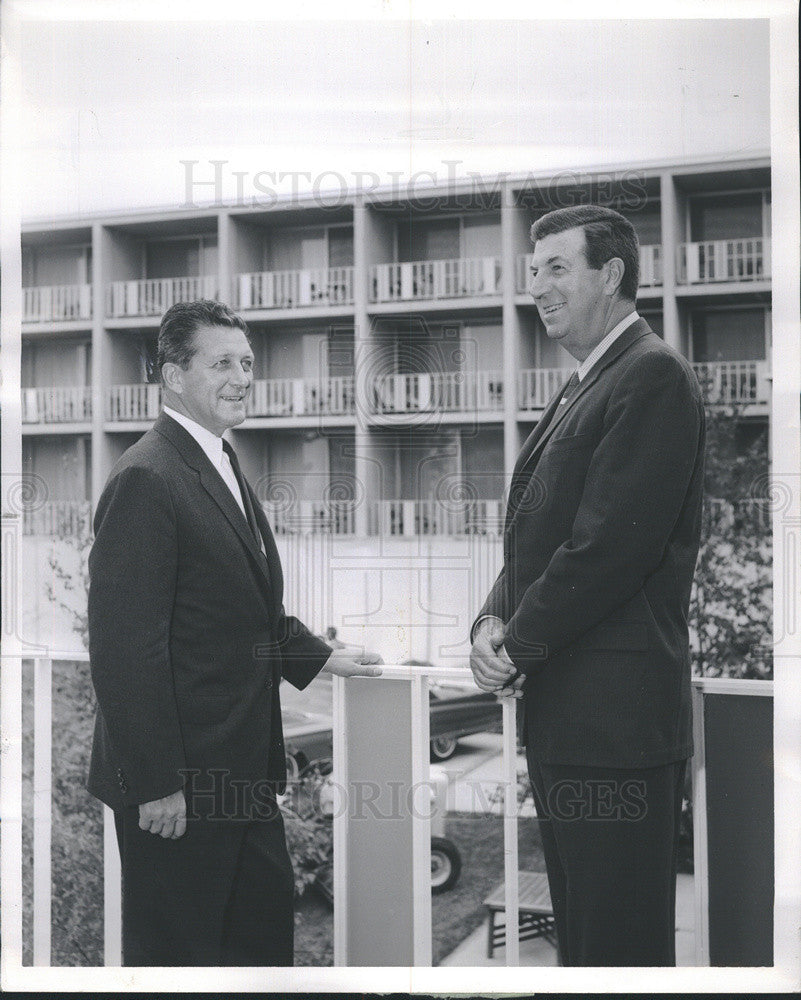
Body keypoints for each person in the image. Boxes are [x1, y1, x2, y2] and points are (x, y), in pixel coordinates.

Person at [87, 299, 381, 967]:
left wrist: (323, 657)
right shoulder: (146, 475)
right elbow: (123, 646)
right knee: (181, 967)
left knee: (261, 954)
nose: (242, 376)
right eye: (221, 363)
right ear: (171, 376)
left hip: (243, 778)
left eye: (247, 362)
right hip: (179, 790)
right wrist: (156, 781)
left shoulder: (220, 461)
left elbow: (238, 612)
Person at [469, 205, 705, 967]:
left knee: (617, 951)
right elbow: (536, 538)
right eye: (532, 271)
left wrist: (516, 644)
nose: (536, 286)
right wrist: (489, 620)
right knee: (584, 945)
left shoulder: (650, 376)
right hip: (573, 726)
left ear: (611, 275)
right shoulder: (589, 380)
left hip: (616, 734)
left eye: (556, 268)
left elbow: (608, 548)